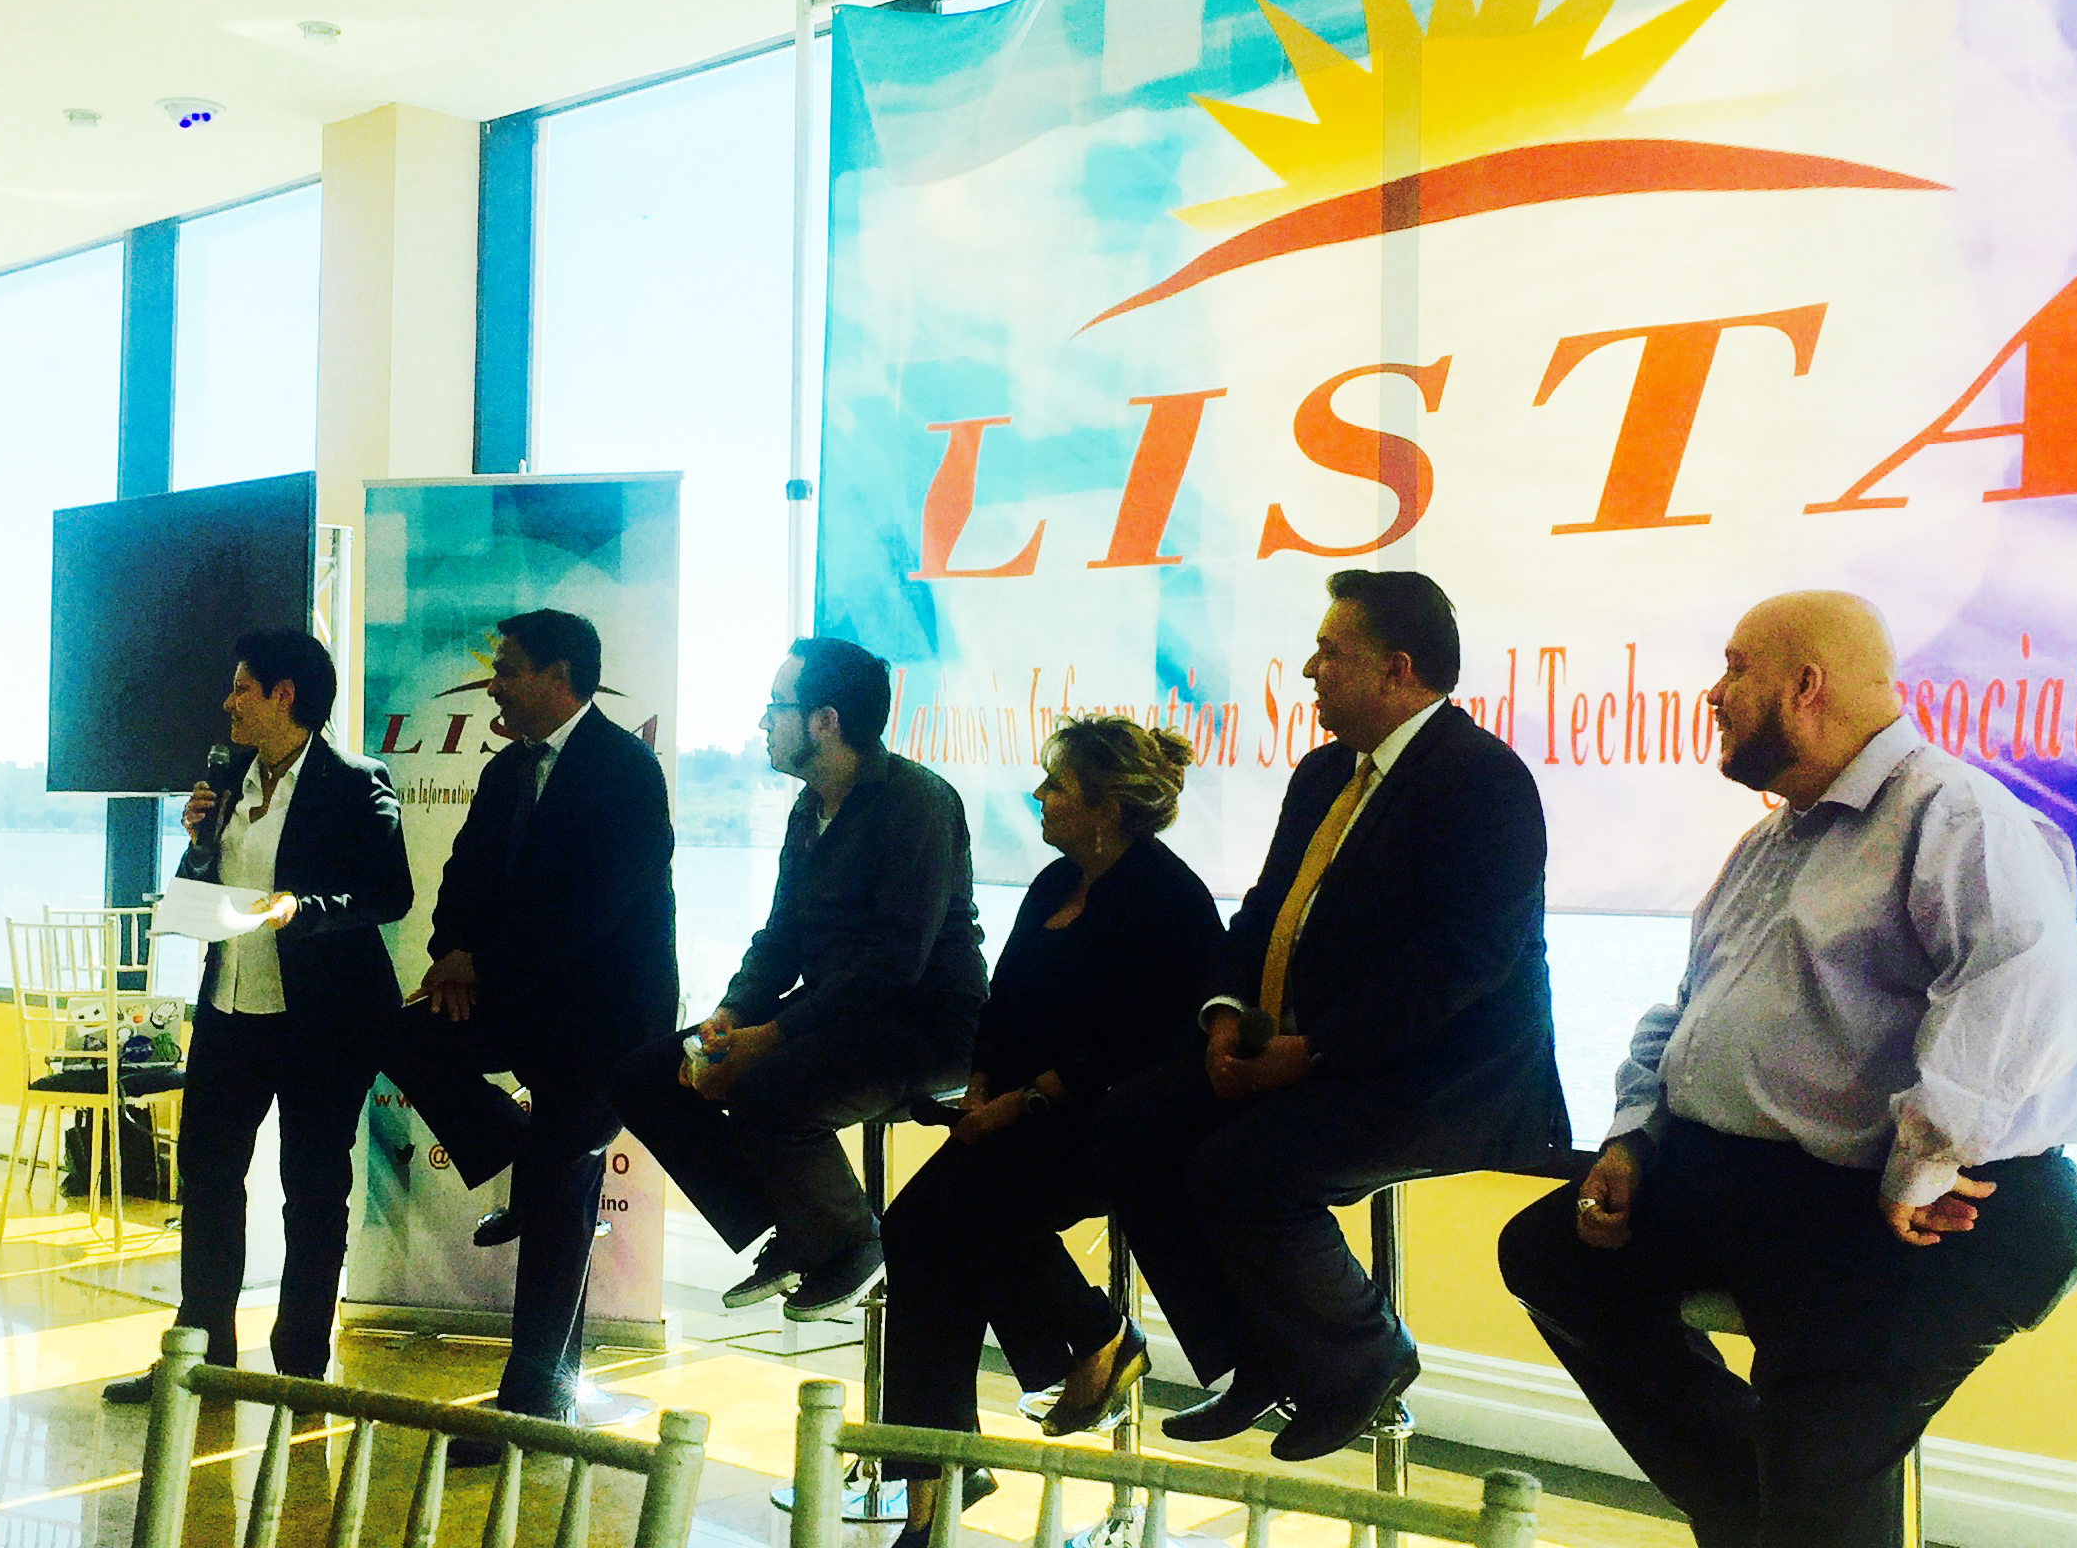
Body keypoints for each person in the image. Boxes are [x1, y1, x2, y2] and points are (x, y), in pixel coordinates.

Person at [1497, 591, 2077, 1548]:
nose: (1713, 693)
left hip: (1928, 1206)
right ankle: (1752, 1505)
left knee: (1820, 1447)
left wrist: (1924, 1160)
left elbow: (2027, 990)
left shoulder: (1952, 812)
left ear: (1806, 686)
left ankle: (1782, 1508)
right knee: (1551, 1256)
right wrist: (1633, 1137)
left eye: (1736, 669)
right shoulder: (1771, 842)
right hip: (1768, 1182)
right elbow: (1693, 1010)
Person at [1094, 570, 1569, 1464]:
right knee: (1132, 1126)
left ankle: (1364, 1357)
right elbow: (1266, 909)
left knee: (1244, 1168)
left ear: (1397, 670)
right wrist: (1225, 1014)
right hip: (1312, 1054)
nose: (1309, 668)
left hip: (1446, 1079)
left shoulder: (1482, 778)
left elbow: (1463, 961)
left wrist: (1313, 1052)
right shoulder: (1323, 774)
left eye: (1329, 652)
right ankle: (1251, 1359)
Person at [879, 717, 1223, 1546]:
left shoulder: (1168, 899)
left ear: (1106, 807)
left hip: (1114, 1123)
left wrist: (1022, 1102)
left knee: (956, 1217)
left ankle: (1092, 1338)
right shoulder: (1053, 883)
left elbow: (1136, 1045)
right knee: (916, 1227)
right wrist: (984, 1086)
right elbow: (1003, 1005)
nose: (1038, 795)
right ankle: (940, 1481)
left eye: (1056, 785)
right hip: (1023, 1114)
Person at [607, 637, 987, 1322]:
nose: (762, 722)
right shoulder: (808, 809)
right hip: (833, 1014)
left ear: (825, 721)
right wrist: (731, 1014)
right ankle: (797, 1230)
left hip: (926, 1024)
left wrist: (770, 1036)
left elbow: (894, 965)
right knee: (650, 1075)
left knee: (765, 1085)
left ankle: (853, 1242)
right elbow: (781, 938)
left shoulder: (918, 802)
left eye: (776, 706)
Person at [378, 608, 676, 1464]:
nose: (494, 685)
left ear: (557, 676)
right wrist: (451, 956)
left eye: (507, 668)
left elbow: (591, 913)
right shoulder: (507, 769)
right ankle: (516, 1143)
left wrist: (483, 965)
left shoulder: (627, 769)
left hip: (606, 1020)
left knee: (555, 1199)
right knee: (402, 1034)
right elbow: (462, 880)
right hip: (517, 997)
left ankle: (530, 1409)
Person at [105, 630, 412, 1405]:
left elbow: (389, 893)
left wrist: (301, 908)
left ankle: (300, 1371)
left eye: (241, 688)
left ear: (284, 695)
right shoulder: (228, 775)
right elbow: (203, 884)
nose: (228, 703)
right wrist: (196, 840)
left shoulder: (356, 781)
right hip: (230, 1009)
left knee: (312, 1189)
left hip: (322, 1020)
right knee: (208, 1178)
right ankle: (200, 1358)